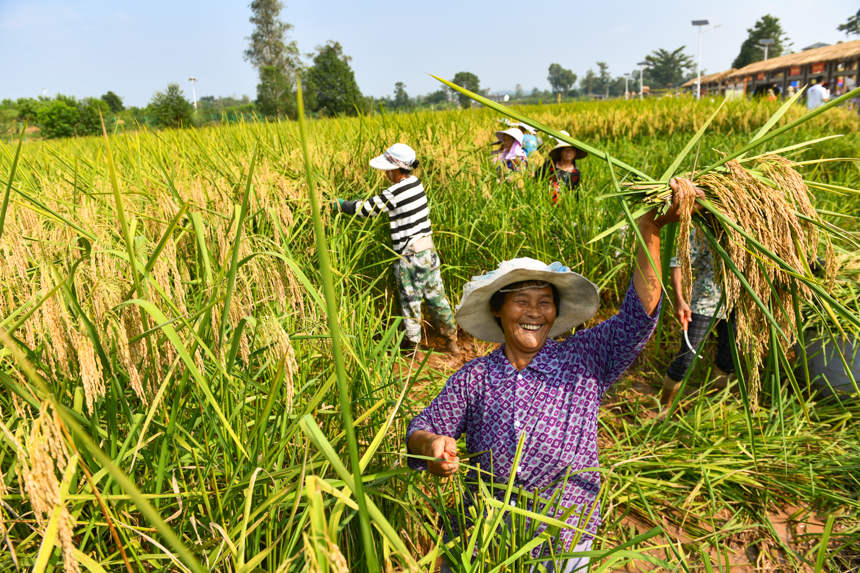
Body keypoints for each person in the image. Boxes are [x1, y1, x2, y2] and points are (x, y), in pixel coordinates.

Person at [406, 179, 700, 570]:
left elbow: (637, 317)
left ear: (556, 313)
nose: (534, 312)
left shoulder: (585, 358)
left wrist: (650, 227)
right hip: (486, 535)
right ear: (498, 311)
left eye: (544, 302)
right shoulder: (474, 377)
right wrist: (434, 447)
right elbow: (419, 430)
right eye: (521, 301)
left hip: (565, 535)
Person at [335, 143, 460, 353]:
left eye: (387, 170)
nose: (385, 174)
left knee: (411, 301)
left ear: (395, 170)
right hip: (428, 251)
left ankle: (413, 349)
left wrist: (341, 205)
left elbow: (367, 209)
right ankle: (452, 341)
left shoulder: (396, 191)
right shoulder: (416, 183)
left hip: (410, 255)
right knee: (437, 297)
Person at [661, 232, 737, 407]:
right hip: (705, 304)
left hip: (736, 307)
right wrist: (680, 300)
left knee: (727, 360)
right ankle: (664, 406)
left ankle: (711, 407)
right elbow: (677, 262)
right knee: (687, 359)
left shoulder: (752, 233)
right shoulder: (704, 233)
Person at [535, 130, 588, 204]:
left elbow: (577, 193)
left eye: (571, 150)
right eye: (565, 150)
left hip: (566, 204)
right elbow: (536, 179)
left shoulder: (576, 173)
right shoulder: (549, 166)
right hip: (546, 202)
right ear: (560, 152)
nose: (568, 153)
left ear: (575, 153)